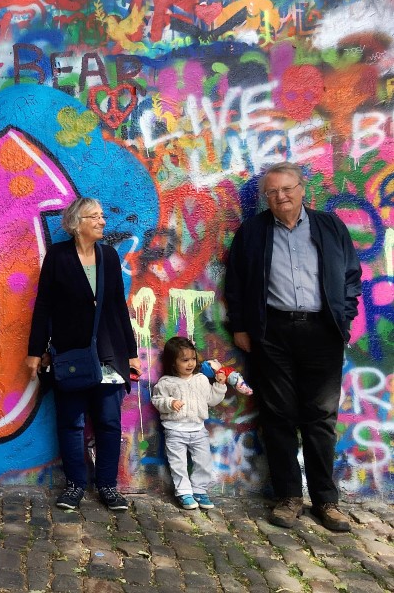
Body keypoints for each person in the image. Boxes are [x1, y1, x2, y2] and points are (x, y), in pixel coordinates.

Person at [224, 162, 362, 532]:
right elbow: (235, 281)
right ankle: (288, 497)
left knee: (320, 417)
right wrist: (240, 326)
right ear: (265, 197)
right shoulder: (253, 232)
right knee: (278, 414)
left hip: (323, 331)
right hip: (273, 332)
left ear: (303, 190)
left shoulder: (329, 226)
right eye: (272, 192)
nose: (281, 197)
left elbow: (351, 274)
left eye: (287, 189)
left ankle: (326, 501)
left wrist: (344, 317)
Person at [26, 197, 141, 511]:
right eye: (95, 216)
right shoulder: (58, 257)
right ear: (77, 224)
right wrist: (35, 351)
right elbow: (44, 306)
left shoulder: (107, 255)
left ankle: (107, 486)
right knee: (71, 422)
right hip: (71, 353)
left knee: (108, 421)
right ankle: (75, 485)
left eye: (103, 215)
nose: (102, 221)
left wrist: (130, 352)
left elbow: (119, 306)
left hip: (109, 352)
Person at [152, 336, 227, 510]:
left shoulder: (200, 379)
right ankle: (184, 492)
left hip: (198, 430)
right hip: (175, 430)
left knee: (204, 461)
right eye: (184, 360)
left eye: (193, 359)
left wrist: (219, 386)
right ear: (173, 362)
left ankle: (199, 490)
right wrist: (170, 403)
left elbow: (211, 400)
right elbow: (157, 400)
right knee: (178, 463)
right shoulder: (166, 383)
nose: (190, 363)